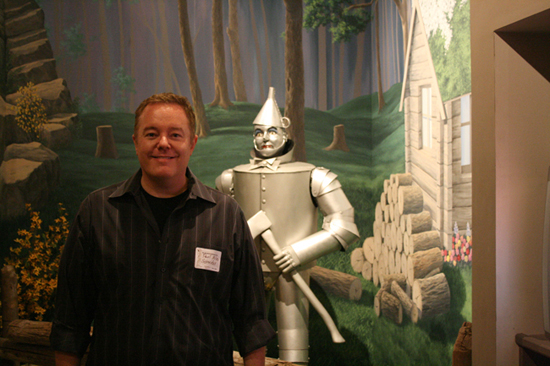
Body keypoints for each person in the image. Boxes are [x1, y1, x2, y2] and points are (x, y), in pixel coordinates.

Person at [50, 92, 275, 366]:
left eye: (175, 135)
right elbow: (69, 324)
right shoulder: (97, 212)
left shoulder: (226, 216)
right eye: (152, 134)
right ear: (136, 142)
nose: (163, 143)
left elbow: (251, 324)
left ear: (192, 144)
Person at [216, 87, 360, 364]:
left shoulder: (315, 175)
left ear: (285, 132)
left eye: (271, 131)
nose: (265, 138)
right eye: (258, 132)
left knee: (295, 341)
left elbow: (344, 224)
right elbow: (221, 225)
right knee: (247, 339)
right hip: (247, 270)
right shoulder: (229, 178)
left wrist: (299, 252)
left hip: (293, 269)